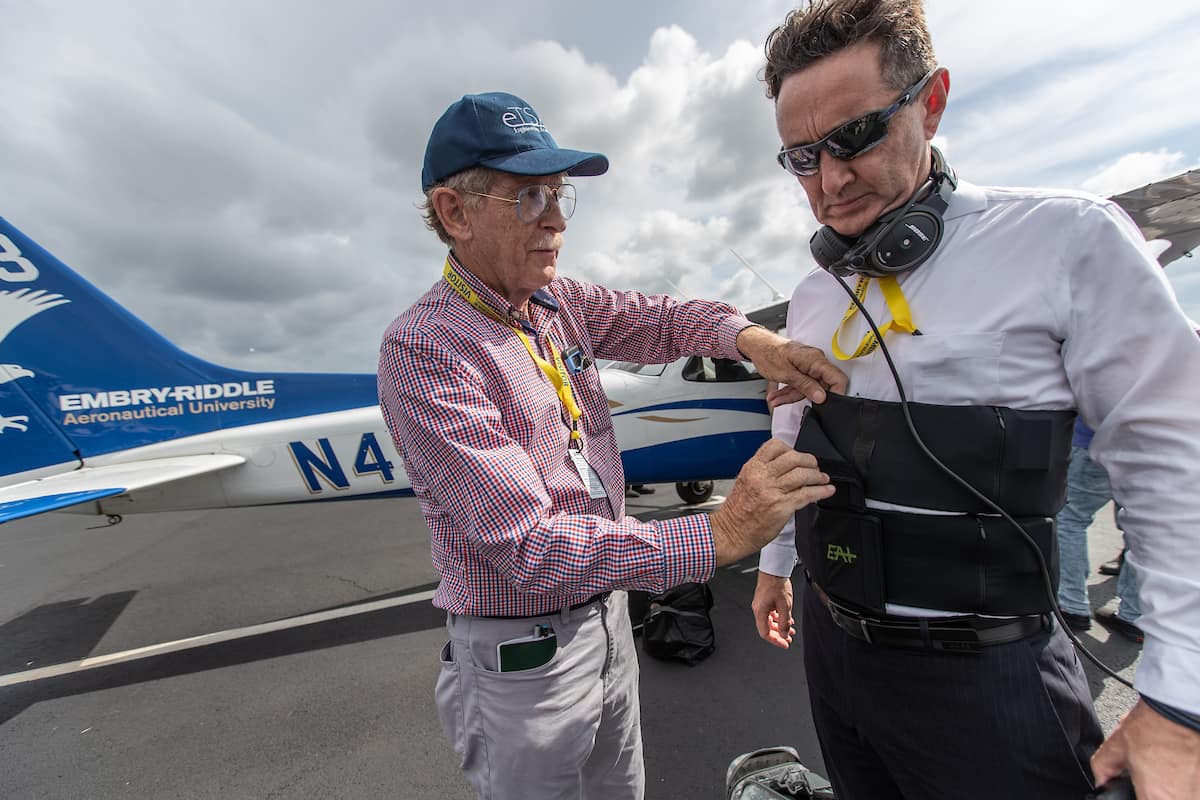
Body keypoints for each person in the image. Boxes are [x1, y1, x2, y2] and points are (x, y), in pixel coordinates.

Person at [749, 2, 1200, 798]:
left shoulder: (1069, 241)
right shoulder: (813, 296)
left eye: (855, 137)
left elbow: (1176, 466)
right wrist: (777, 565)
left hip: (987, 678)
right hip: (835, 652)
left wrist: (1179, 698)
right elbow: (796, 439)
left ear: (932, 100)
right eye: (802, 157)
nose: (830, 180)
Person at [377, 91, 846, 800]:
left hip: (608, 623)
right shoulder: (424, 347)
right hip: (524, 659)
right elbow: (531, 550)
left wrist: (754, 340)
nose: (558, 218)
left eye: (559, 194)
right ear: (454, 212)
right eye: (529, 196)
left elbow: (661, 320)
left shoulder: (558, 303)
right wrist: (719, 533)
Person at [1056, 420, 1143, 642]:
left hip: (1100, 441)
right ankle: (1133, 615)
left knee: (1070, 519)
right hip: (1152, 448)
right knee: (1140, 530)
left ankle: (1072, 605)